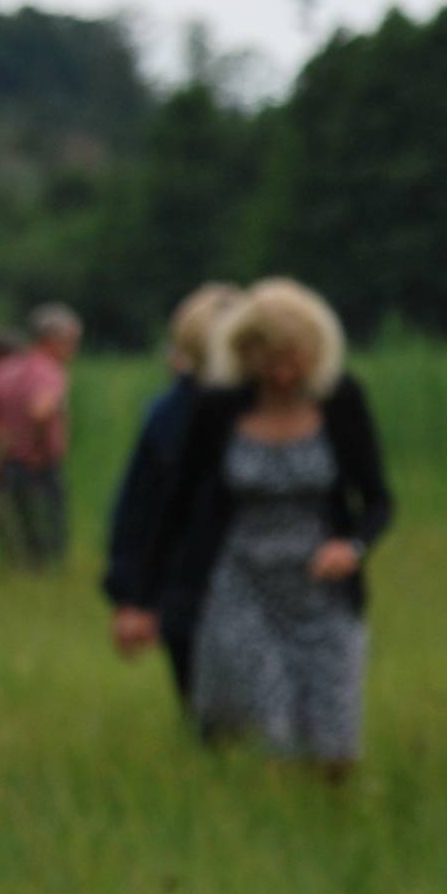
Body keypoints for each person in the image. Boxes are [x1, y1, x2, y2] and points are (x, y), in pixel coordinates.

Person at [113, 278, 393, 773]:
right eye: (269, 361)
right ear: (245, 356)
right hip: (242, 585)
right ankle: (279, 822)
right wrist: (138, 599)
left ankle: (330, 825)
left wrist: (352, 546)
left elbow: (378, 500)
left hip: (323, 590)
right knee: (273, 731)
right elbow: (171, 507)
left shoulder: (342, 400)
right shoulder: (217, 408)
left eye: (295, 359)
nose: (283, 374)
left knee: (334, 748)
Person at [99, 281, 242, 699]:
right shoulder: (169, 416)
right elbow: (140, 507)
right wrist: (132, 596)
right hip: (186, 585)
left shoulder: (284, 407)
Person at [0, 302, 80, 566]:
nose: (73, 349)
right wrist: (37, 449)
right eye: (71, 341)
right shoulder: (50, 371)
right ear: (52, 339)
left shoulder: (9, 367)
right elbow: (40, 411)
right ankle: (49, 586)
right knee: (49, 537)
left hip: (10, 463)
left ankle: (26, 581)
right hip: (40, 465)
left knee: (22, 538)